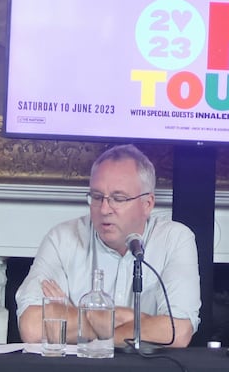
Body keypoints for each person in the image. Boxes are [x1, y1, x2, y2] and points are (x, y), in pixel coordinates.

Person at [15, 144, 201, 347]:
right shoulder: (62, 238)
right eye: (96, 197)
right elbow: (32, 327)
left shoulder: (175, 239)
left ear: (147, 204)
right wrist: (125, 318)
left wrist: (75, 316)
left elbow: (177, 332)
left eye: (118, 199)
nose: (104, 209)